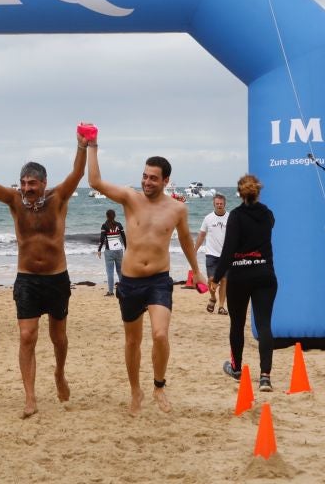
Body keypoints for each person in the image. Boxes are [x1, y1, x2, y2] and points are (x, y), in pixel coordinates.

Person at [0, 132, 86, 418]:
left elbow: (78, 172)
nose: (26, 188)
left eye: (32, 183)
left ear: (44, 183)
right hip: (27, 280)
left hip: (57, 279)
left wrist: (82, 145)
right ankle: (30, 398)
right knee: (26, 336)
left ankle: (59, 373)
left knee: (59, 337)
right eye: (23, 183)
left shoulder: (58, 198)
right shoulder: (14, 201)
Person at [87, 133, 205, 416]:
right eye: (145, 176)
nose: (147, 182)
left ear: (165, 181)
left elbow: (187, 240)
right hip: (129, 282)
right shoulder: (130, 199)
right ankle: (135, 390)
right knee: (132, 341)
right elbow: (94, 182)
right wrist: (92, 145)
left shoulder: (177, 209)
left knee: (160, 334)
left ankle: (159, 385)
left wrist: (197, 271)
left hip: (158, 282)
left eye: (153, 178)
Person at [215, 174, 278, 392]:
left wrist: (215, 278)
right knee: (264, 325)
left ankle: (237, 368)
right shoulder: (267, 214)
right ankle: (265, 377)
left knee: (237, 324)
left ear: (240, 194)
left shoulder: (235, 216)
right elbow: (271, 223)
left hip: (239, 278)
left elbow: (228, 251)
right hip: (265, 276)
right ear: (257, 192)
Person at [196, 194, 230, 315]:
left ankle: (221, 306)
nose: (219, 206)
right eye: (217, 204)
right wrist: (194, 250)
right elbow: (201, 235)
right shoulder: (208, 218)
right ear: (214, 204)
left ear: (224, 204)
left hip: (226, 255)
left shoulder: (230, 217)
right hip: (211, 254)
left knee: (224, 280)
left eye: (221, 204)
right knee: (211, 279)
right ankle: (213, 298)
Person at [97, 209, 126, 297]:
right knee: (120, 271)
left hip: (109, 251)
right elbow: (124, 237)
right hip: (119, 250)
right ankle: (123, 290)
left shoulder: (104, 226)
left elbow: (102, 239)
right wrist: (127, 248)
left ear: (106, 216)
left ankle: (110, 291)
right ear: (115, 216)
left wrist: (99, 250)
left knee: (110, 272)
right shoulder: (119, 225)